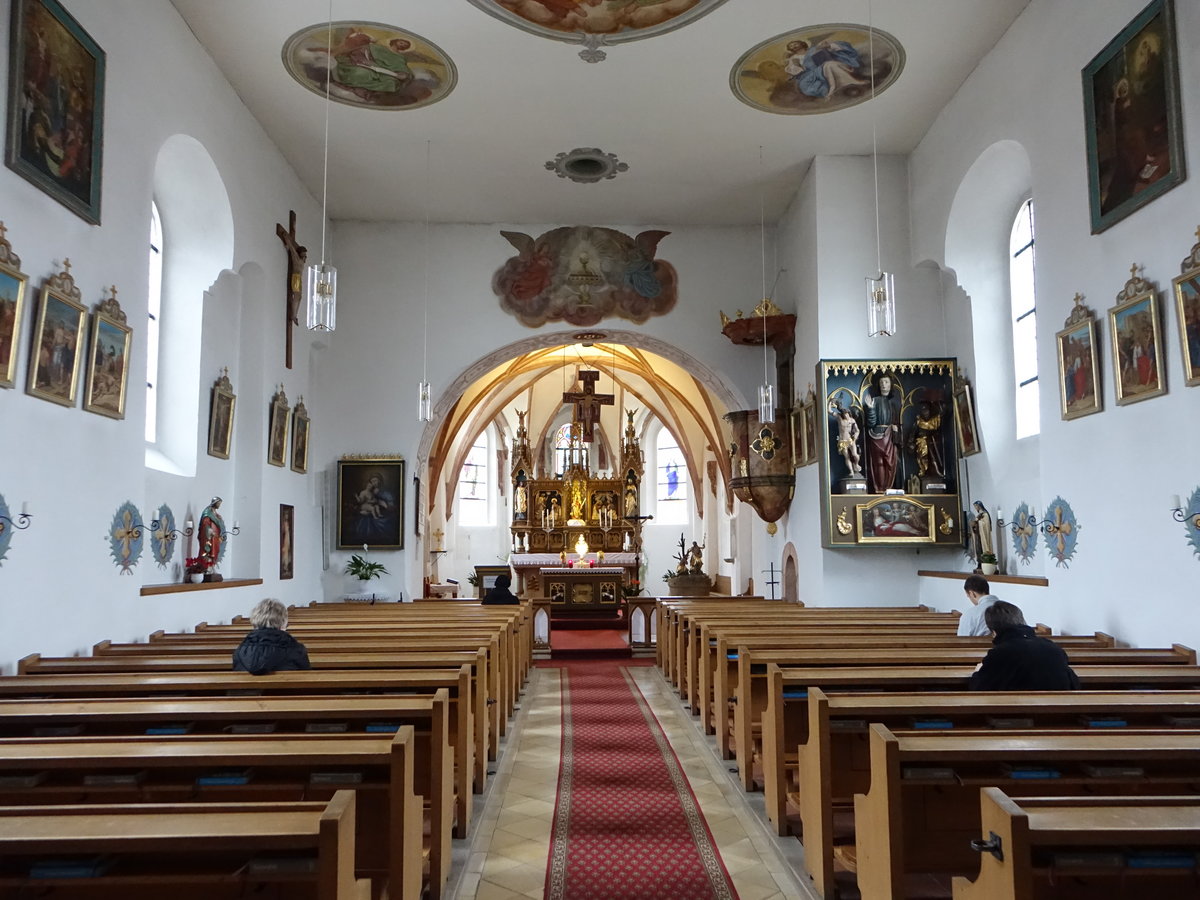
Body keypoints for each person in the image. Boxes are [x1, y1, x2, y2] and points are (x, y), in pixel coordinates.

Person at [969, 601, 1080, 691]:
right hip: (1060, 715)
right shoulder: (1054, 648)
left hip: (1020, 716)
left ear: (994, 632)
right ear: (1022, 620)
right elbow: (1073, 683)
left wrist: (977, 673)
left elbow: (980, 689)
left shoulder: (999, 653)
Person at [232, 598, 311, 675]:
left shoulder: (241, 650)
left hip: (248, 688)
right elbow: (306, 677)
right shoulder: (296, 649)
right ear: (283, 622)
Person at [864, 372, 901, 493]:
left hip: (890, 436)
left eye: (886, 382)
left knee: (891, 463)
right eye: (881, 383)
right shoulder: (875, 400)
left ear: (891, 385)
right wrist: (870, 408)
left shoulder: (894, 404)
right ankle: (879, 488)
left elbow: (897, 421)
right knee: (879, 463)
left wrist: (895, 429)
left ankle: (889, 487)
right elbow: (871, 422)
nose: (884, 385)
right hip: (877, 435)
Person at [833, 403, 863, 477]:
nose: (846, 415)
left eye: (847, 414)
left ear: (849, 414)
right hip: (842, 441)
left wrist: (855, 436)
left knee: (855, 454)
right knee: (847, 457)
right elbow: (829, 411)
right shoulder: (840, 419)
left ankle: (856, 464)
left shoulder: (852, 420)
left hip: (850, 440)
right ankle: (851, 471)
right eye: (844, 414)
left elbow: (857, 430)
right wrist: (830, 402)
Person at [197, 496, 225, 566]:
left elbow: (218, 523)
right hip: (209, 536)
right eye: (218, 503)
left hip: (215, 536)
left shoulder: (215, 513)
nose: (219, 505)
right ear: (214, 503)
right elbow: (205, 522)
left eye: (220, 504)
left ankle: (211, 565)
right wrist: (210, 531)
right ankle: (205, 566)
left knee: (215, 550)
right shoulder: (207, 511)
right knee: (208, 550)